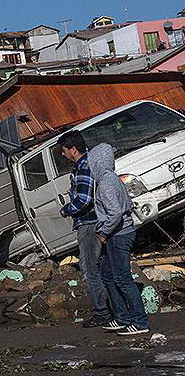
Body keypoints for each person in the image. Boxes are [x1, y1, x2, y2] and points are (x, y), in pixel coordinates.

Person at [88, 143, 149, 336]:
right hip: (120, 232)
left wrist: (103, 232)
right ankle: (122, 316)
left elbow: (115, 213)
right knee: (107, 274)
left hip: (118, 234)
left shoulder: (106, 182)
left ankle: (140, 321)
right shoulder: (111, 179)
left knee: (122, 278)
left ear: (96, 162)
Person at [58, 130, 110, 328]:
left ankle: (102, 312)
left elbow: (85, 199)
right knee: (101, 266)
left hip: (88, 224)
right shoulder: (89, 163)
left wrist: (67, 209)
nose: (63, 155)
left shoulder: (83, 166)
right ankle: (109, 307)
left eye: (64, 150)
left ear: (73, 149)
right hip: (96, 222)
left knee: (90, 267)